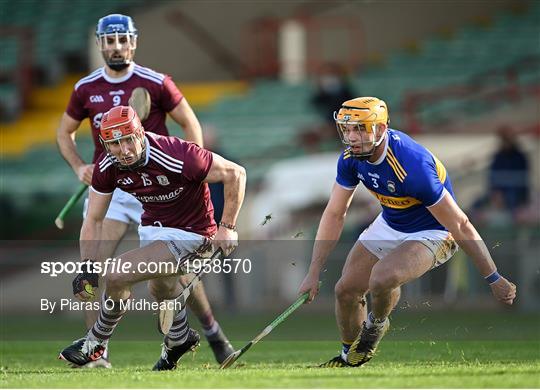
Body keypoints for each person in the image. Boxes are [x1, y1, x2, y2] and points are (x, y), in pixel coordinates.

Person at [56, 14, 233, 367]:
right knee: (93, 269)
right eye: (110, 40)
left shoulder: (155, 82)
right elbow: (65, 133)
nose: (117, 46)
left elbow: (190, 124)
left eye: (123, 40)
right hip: (115, 185)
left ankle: (212, 332)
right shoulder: (85, 88)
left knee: (172, 273)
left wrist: (189, 176)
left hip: (161, 182)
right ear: (100, 44)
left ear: (133, 42)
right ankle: (97, 352)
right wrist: (79, 166)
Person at [298, 97, 517, 367]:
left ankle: (375, 326)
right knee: (345, 290)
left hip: (434, 231)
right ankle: (349, 359)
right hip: (390, 222)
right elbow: (334, 213)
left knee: (381, 278)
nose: (352, 137)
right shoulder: (350, 159)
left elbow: (459, 224)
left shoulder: (412, 166)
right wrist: (314, 270)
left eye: (360, 129)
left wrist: (493, 277)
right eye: (347, 129)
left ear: (380, 129)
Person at [58, 106, 246, 370]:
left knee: (116, 273)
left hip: (193, 232)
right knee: (161, 289)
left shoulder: (178, 155)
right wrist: (87, 266)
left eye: (128, 140)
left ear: (141, 133)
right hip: (153, 228)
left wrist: (227, 226)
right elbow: (94, 219)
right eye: (114, 144)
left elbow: (236, 173)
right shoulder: (107, 165)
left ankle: (95, 343)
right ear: (104, 144)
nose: (123, 150)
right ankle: (179, 338)